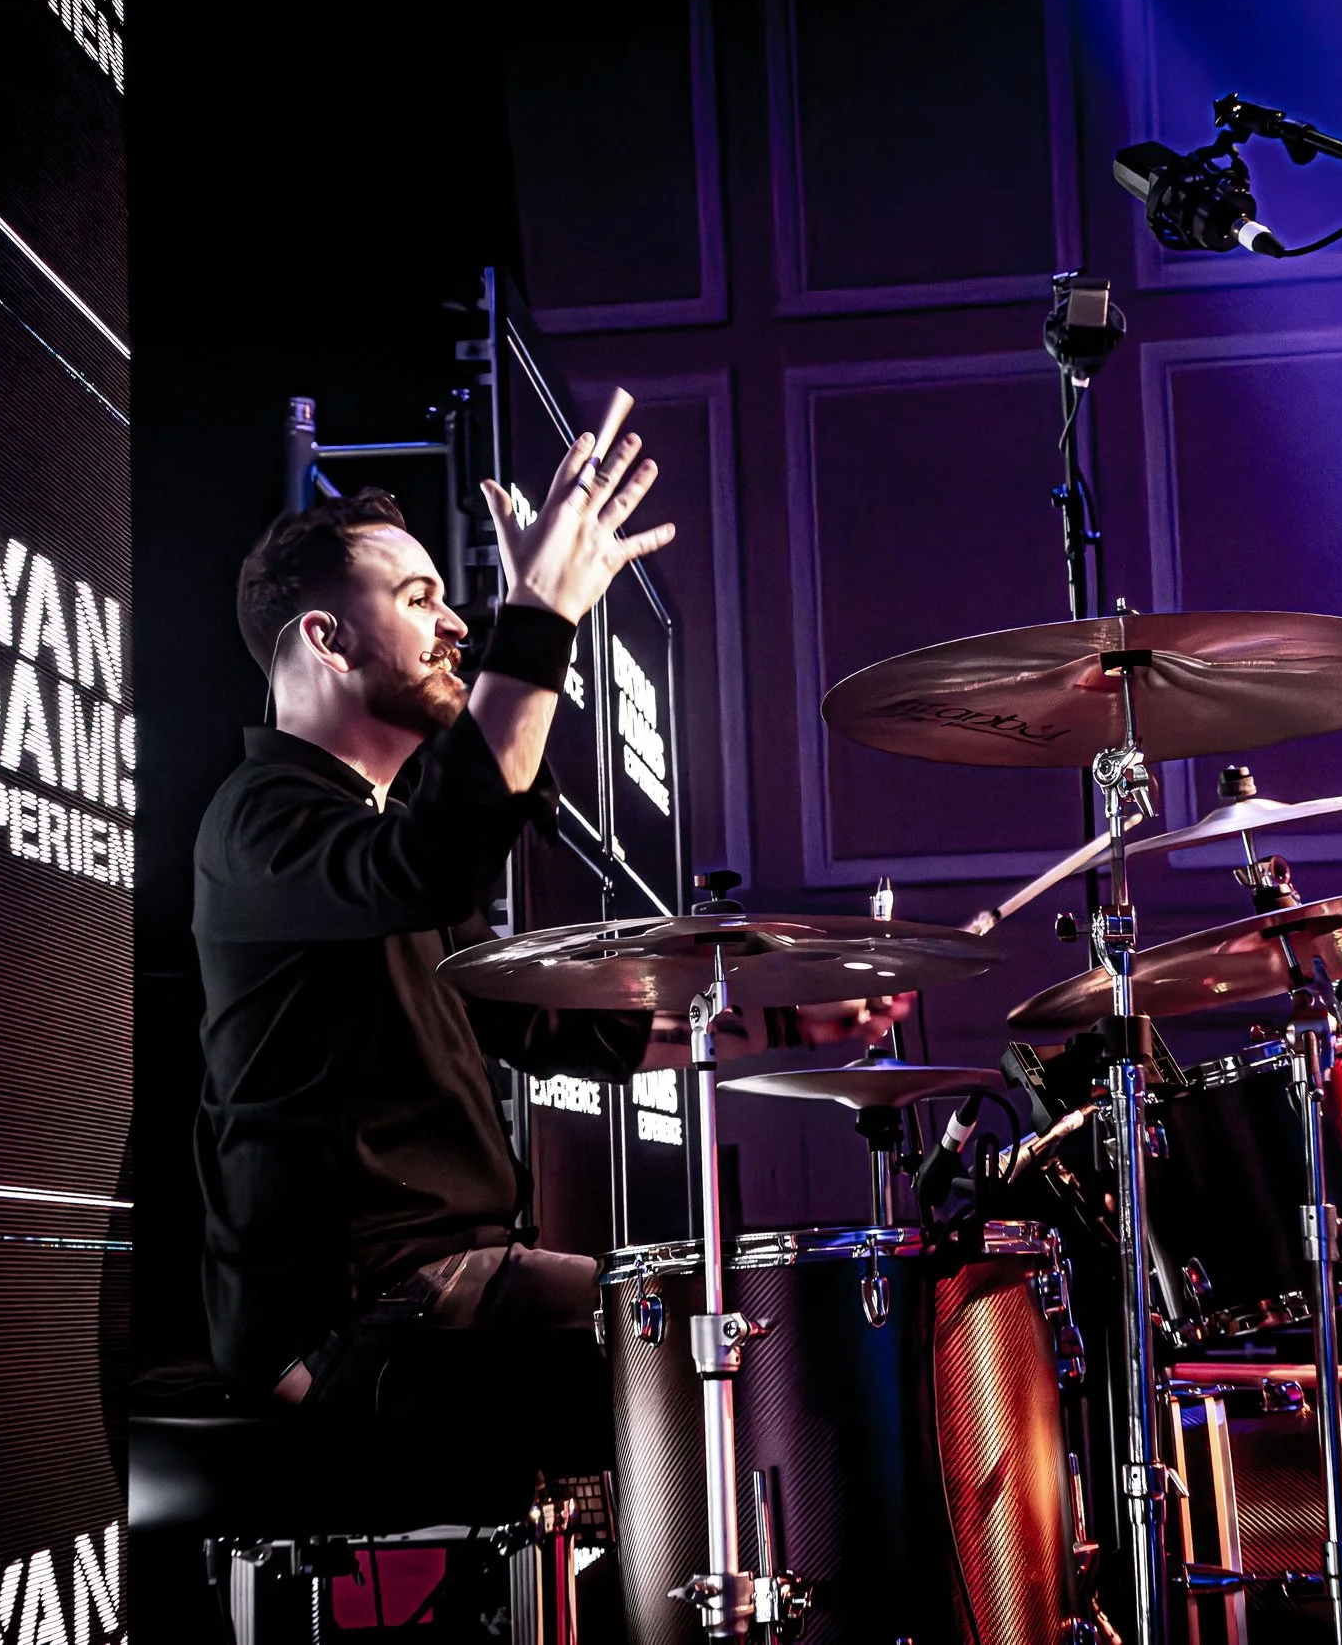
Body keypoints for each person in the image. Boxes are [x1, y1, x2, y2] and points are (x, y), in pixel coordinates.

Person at [192, 429, 899, 1413]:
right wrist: (540, 616)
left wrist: (783, 1019)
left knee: (753, 1330)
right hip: (349, 1313)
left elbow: (543, 1021)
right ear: (327, 638)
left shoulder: (377, 839)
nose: (455, 626)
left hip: (445, 1280)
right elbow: (436, 859)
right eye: (417, 599)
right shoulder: (259, 824)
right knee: (720, 1366)